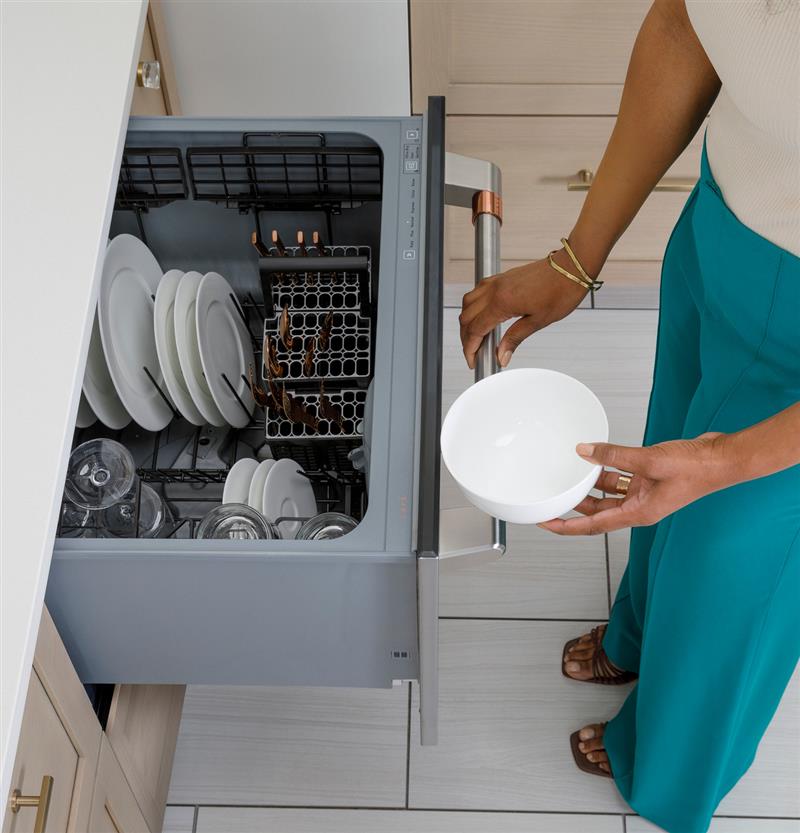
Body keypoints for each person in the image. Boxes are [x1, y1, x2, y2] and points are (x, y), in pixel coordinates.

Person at [458, 1, 800, 831]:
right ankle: (638, 631)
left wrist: (724, 461)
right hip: (719, 230)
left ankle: (669, 770)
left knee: (728, 566)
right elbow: (690, 26)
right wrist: (578, 256)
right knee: (660, 457)